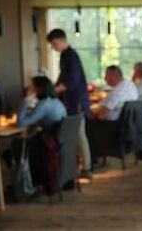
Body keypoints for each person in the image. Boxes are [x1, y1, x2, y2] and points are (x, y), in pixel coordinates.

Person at [46, 28, 92, 180]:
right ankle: (80, 165)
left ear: (61, 40)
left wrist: (53, 91)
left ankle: (86, 168)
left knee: (79, 134)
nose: (53, 47)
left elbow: (71, 81)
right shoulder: (65, 56)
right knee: (77, 134)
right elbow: (62, 78)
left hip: (76, 100)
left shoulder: (71, 56)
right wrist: (52, 88)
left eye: (54, 44)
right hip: (71, 100)